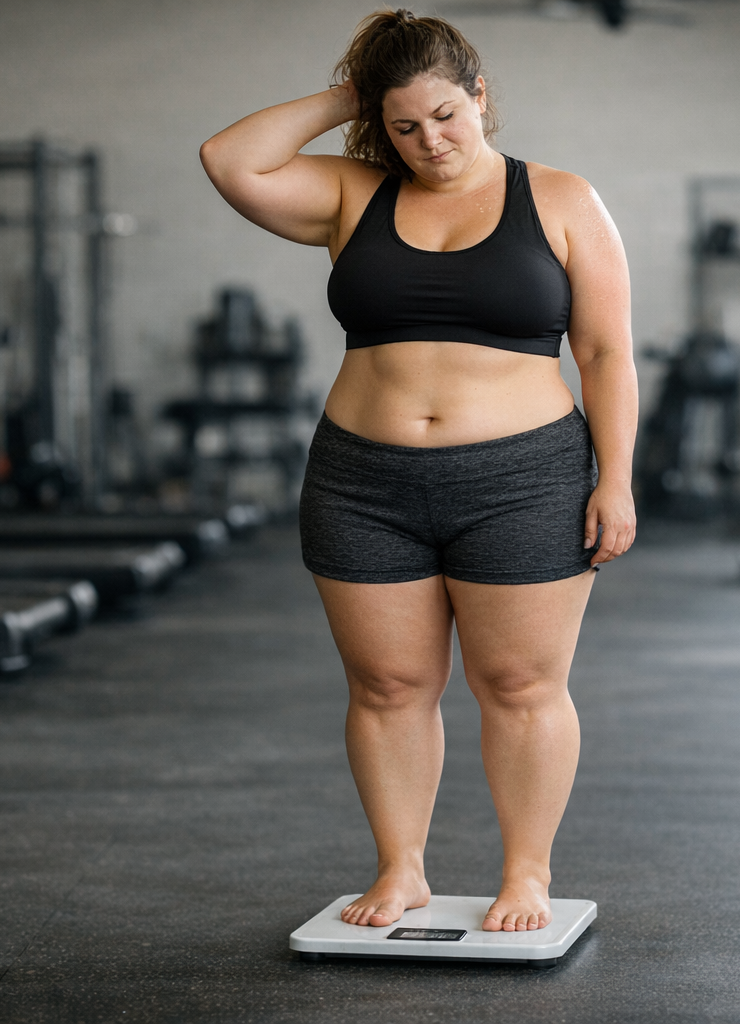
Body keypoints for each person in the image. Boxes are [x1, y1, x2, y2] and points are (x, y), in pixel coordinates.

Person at [200, 8, 637, 933]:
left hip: (525, 476)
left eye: (445, 114)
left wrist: (617, 479)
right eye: (403, 125)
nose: (429, 141)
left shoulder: (560, 198)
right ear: (377, 123)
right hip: (364, 480)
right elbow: (228, 159)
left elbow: (606, 355)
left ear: (479, 96)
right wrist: (350, 94)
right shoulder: (353, 195)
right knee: (388, 688)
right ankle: (401, 869)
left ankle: (527, 875)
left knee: (520, 687)